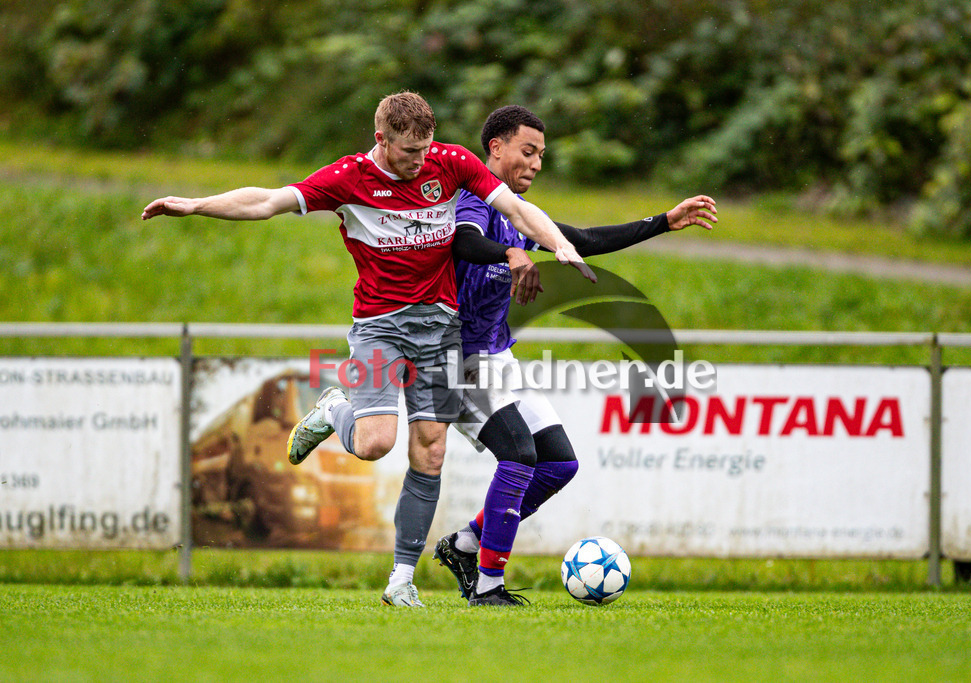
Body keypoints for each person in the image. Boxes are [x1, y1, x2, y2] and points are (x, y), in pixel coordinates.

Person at [141, 92, 597, 607]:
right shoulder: (348, 177)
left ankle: (401, 581)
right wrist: (196, 205)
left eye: (425, 148)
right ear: (381, 140)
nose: (420, 161)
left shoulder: (450, 162)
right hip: (380, 328)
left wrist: (558, 244)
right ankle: (336, 408)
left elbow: (514, 208)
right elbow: (267, 201)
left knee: (431, 451)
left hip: (443, 328)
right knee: (377, 442)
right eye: (408, 152)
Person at [433, 105, 717, 605]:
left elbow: (580, 240)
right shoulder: (471, 201)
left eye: (542, 154)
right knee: (519, 456)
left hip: (497, 358)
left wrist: (663, 223)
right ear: (495, 148)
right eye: (528, 150)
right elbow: (464, 244)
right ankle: (489, 585)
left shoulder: (518, 216)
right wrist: (510, 255)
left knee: (559, 465)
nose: (537, 163)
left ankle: (465, 544)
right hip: (455, 360)